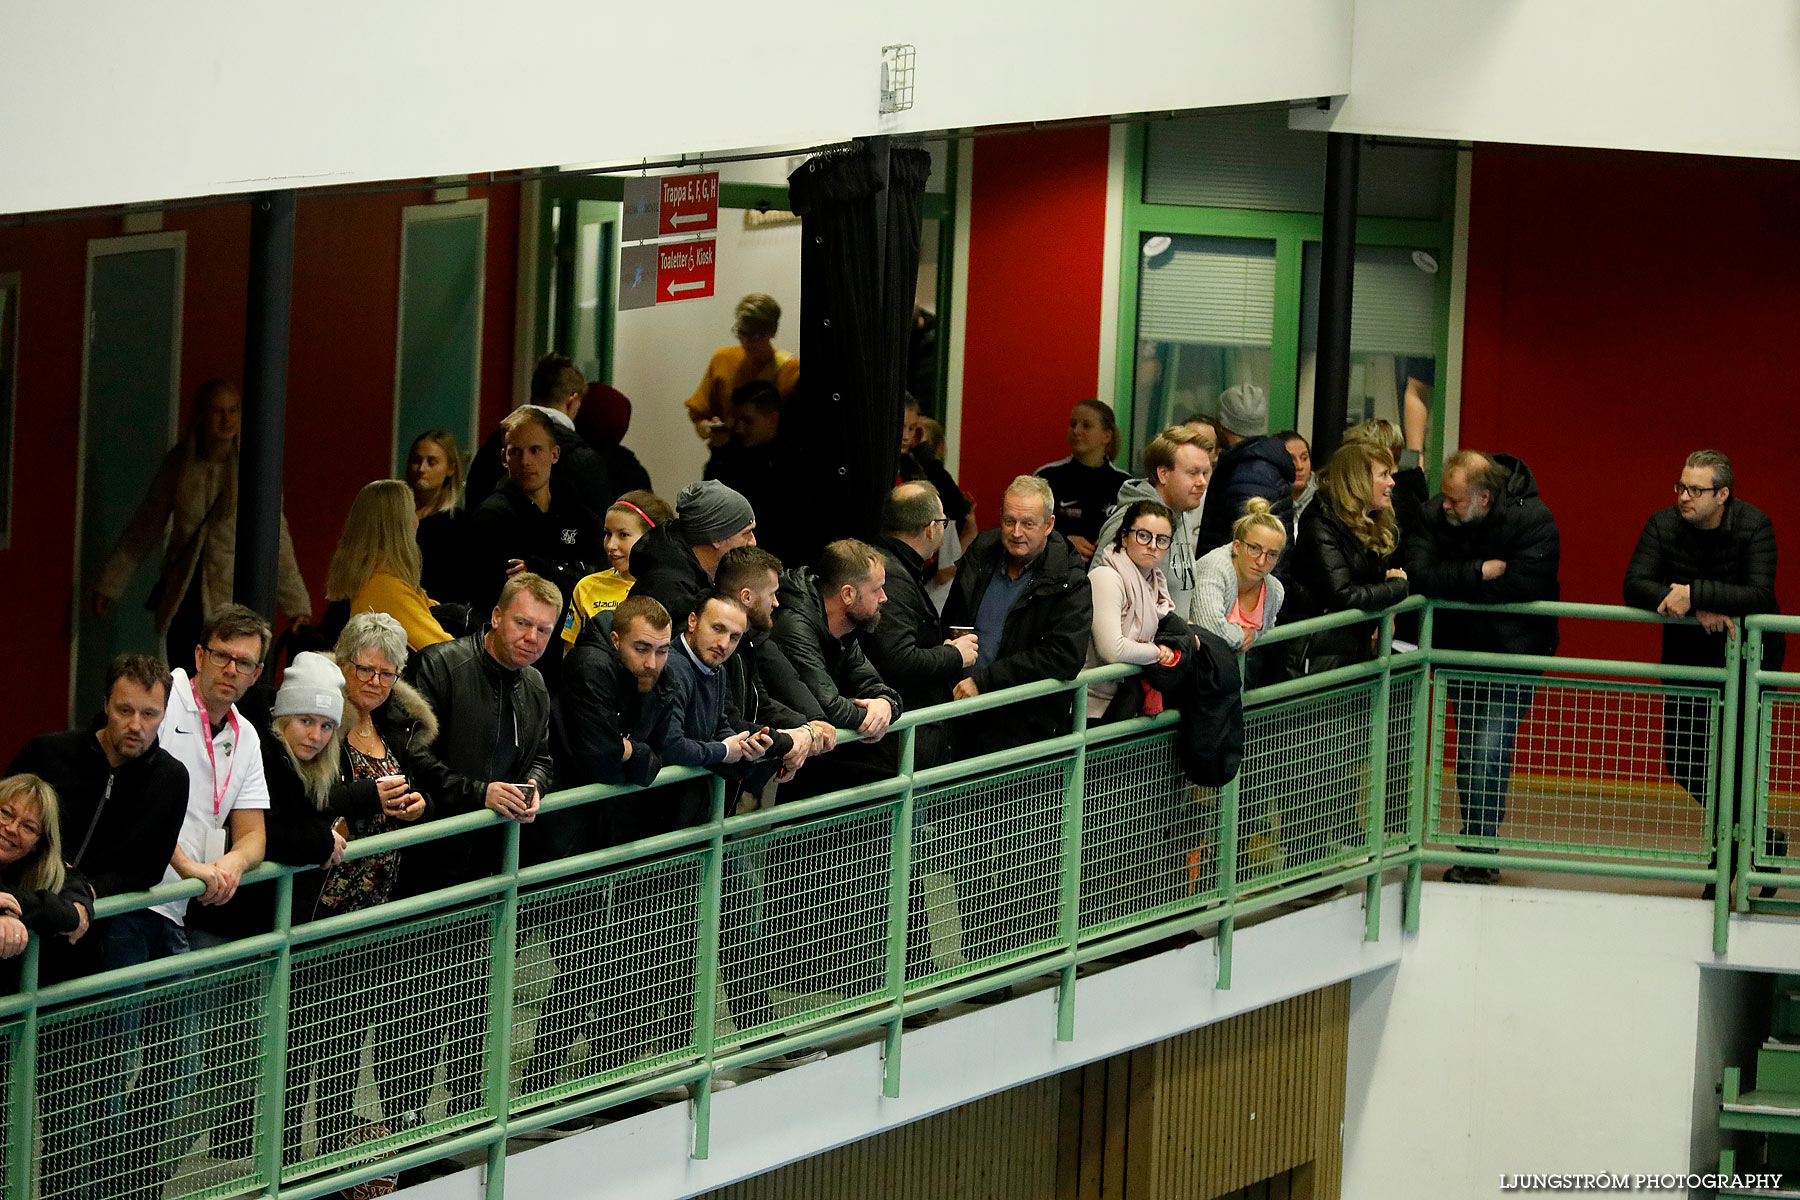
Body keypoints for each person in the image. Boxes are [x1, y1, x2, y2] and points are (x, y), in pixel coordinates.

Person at [107, 604, 273, 1199]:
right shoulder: (162, 697)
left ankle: (132, 1188)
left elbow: (253, 833)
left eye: (245, 662)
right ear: (200, 655)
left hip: (176, 915)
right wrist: (189, 865)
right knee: (104, 1061)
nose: (232, 669)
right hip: (123, 904)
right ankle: (90, 1186)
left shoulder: (247, 735)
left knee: (177, 1075)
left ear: (257, 674)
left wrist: (230, 863)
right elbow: (135, 789)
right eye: (222, 655)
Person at [382, 573, 557, 1130]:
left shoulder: (534, 686)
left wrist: (533, 787)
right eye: (524, 623)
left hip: (494, 868)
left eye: (544, 630)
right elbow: (410, 758)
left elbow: (547, 756)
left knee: (475, 996)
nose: (532, 637)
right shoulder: (439, 666)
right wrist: (480, 793)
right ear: (498, 617)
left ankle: (463, 1115)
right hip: (430, 864)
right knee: (414, 999)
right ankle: (403, 1119)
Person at [283, 618, 432, 1161]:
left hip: (377, 908)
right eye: (364, 668)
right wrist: (369, 797)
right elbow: (307, 797)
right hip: (319, 906)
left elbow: (418, 786)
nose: (373, 681)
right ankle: (282, 1166)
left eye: (386, 673)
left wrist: (422, 806)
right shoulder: (318, 718)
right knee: (299, 1047)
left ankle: (327, 1165)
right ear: (341, 663)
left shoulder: (398, 726)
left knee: (347, 1048)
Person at [1624, 449, 1782, 896]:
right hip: (1688, 655)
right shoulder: (1663, 524)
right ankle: (1762, 839)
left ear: (1723, 495)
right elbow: (1633, 583)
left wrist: (1695, 594)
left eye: (1696, 490)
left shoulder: (1755, 525)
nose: (1684, 498)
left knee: (1735, 759)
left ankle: (1726, 861)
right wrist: (1696, 608)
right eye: (1681, 487)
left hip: (1750, 658)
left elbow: (1758, 593)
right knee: (1682, 757)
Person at [1407, 450, 1561, 885]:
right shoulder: (1434, 514)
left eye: (1456, 500)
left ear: (1485, 498)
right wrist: (1479, 571)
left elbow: (1524, 585)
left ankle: (1478, 849)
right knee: (1474, 751)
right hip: (1462, 654)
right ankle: (1479, 847)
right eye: (1445, 497)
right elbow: (1419, 575)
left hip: (1515, 656)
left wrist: (1455, 583)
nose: (1446, 506)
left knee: (1485, 749)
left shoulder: (1534, 520)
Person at [92, 380, 311, 665]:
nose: (226, 419)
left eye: (233, 411)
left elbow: (277, 538)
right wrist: (110, 583)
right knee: (185, 675)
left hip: (233, 596)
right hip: (184, 596)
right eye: (218, 411)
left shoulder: (254, 470)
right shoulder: (181, 464)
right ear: (202, 414)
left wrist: (297, 607)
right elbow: (145, 526)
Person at [946, 475, 1095, 757]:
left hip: (1023, 729)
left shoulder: (1069, 579)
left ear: (1049, 524)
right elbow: (952, 620)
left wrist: (987, 682)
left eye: (1028, 524)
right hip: (960, 716)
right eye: (1009, 520)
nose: (1016, 532)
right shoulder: (981, 555)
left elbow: (1064, 655)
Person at [467, 408, 604, 687]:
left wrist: (545, 570)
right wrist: (571, 576)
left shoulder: (577, 512)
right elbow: (504, 597)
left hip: (574, 654)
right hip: (515, 662)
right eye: (515, 452)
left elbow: (599, 580)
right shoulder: (492, 518)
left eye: (535, 450)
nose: (525, 461)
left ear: (554, 454)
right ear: (504, 457)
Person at [769, 540, 905, 795]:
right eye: (877, 589)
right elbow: (827, 707)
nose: (884, 598)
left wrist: (886, 704)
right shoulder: (794, 627)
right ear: (848, 594)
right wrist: (871, 716)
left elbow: (874, 685)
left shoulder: (843, 630)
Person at [865, 482, 978, 764]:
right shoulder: (893, 577)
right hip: (892, 745)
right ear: (931, 528)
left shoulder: (886, 562)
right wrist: (954, 654)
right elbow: (899, 659)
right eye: (942, 523)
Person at [1289, 442, 1409, 674]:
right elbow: (1343, 595)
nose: (1392, 482)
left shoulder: (1375, 523)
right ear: (1358, 480)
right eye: (1383, 475)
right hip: (1317, 657)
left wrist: (1388, 610)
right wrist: (1396, 589)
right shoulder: (1320, 525)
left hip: (1352, 651)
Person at [465, 353, 617, 520]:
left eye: (536, 450)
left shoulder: (492, 447)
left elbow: (473, 508)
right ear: (572, 400)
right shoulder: (583, 460)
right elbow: (600, 529)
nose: (525, 461)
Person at [1093, 424, 1213, 623]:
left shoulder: (1179, 513)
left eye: (1205, 473)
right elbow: (1098, 598)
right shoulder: (1131, 521)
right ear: (1163, 474)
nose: (1202, 482)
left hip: (1174, 648)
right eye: (1192, 473)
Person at [323, 479, 454, 652]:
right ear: (399, 527)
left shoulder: (369, 579)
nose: (417, 521)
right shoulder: (384, 587)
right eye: (412, 513)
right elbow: (448, 653)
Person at [1085, 499, 1179, 721]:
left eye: (1162, 540)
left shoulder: (1156, 583)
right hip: (1091, 707)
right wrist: (1156, 653)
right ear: (1124, 538)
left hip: (1127, 701)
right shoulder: (1106, 577)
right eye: (1144, 535)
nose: (1153, 546)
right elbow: (1112, 650)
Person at [629, 479, 759, 631]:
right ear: (716, 537)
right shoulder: (671, 593)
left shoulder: (697, 574)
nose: (753, 542)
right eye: (746, 533)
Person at [0, 775, 90, 990]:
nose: (11, 829)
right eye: (5, 813)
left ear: (38, 845)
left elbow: (72, 902)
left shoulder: (40, 866)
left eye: (28, 828)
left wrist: (9, 909)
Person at [561, 491, 676, 649]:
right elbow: (570, 653)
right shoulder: (587, 586)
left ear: (653, 538)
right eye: (608, 534)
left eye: (623, 535)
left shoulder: (673, 589)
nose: (611, 545)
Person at [686, 293, 800, 448]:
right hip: (728, 464)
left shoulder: (793, 371)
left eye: (756, 335)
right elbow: (699, 417)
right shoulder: (722, 360)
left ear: (773, 331)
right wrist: (710, 429)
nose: (747, 342)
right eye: (742, 333)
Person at [1194, 384, 1295, 557]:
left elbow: (1250, 553)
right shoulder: (1260, 464)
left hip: (1239, 581)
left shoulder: (1247, 475)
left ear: (1222, 424)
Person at [1037, 400, 1130, 563]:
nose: (1076, 431)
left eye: (1086, 426)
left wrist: (1112, 546)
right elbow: (1027, 529)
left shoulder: (1125, 484)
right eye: (1073, 424)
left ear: (1106, 436)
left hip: (1108, 577)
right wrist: (1062, 542)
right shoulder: (1046, 477)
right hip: (1056, 575)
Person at [1193, 497, 1288, 655]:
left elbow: (1265, 628)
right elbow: (1209, 627)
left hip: (1228, 667)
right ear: (1236, 546)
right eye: (1254, 548)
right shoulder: (1215, 567)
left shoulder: (1275, 590)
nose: (1261, 561)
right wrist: (1242, 636)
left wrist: (1254, 634)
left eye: (1272, 554)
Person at [405, 429, 468, 604]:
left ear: (450, 469)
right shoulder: (394, 517)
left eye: (432, 462)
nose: (421, 469)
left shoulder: (456, 524)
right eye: (416, 461)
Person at [1278, 430, 1316, 519]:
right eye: (1291, 460)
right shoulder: (1266, 497)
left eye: (1304, 458)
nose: (1299, 466)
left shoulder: (1324, 499)